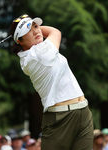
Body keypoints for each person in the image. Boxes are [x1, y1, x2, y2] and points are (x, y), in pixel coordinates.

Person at [9, 14, 93, 150]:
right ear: (20, 41)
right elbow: (55, 32)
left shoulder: (42, 48)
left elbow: (47, 34)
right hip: (60, 118)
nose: (36, 31)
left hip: (83, 112)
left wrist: (30, 27)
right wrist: (34, 28)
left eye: (36, 27)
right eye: (28, 31)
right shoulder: (36, 55)